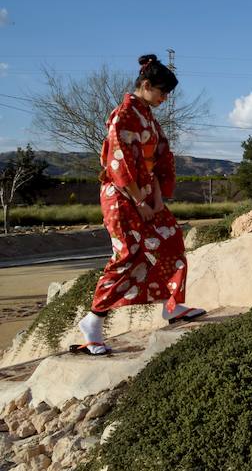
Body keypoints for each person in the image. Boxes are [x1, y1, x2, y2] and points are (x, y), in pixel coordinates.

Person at [71, 55, 205, 356]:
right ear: (145, 85)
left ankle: (173, 305)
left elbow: (158, 159)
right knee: (126, 255)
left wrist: (156, 198)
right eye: (161, 91)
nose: (164, 98)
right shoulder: (124, 116)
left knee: (171, 239)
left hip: (144, 192)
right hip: (122, 196)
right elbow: (118, 164)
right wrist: (140, 199)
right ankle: (93, 321)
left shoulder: (146, 115)